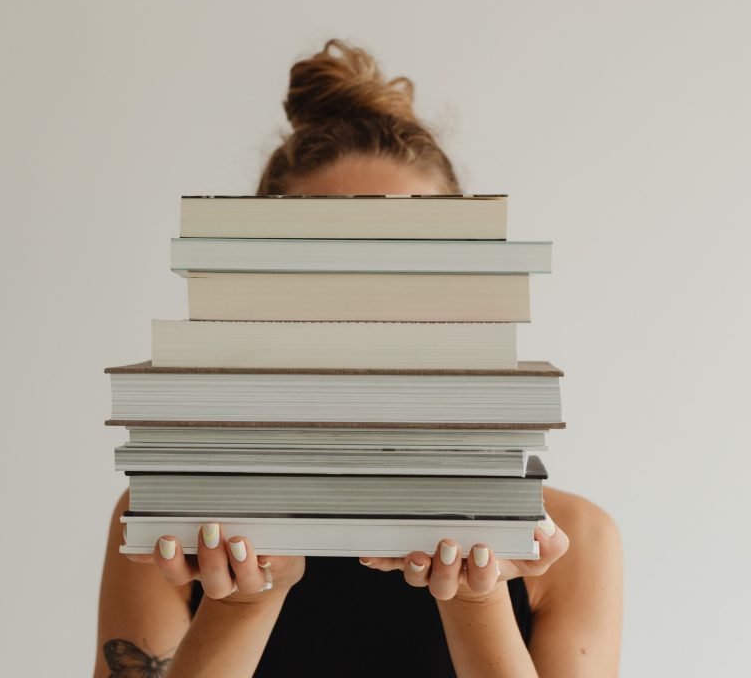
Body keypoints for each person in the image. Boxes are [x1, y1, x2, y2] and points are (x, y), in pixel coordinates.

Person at [94, 40, 623, 677]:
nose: (372, 314)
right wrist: (244, 603)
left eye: (410, 267)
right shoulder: (171, 516)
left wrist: (476, 600)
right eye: (327, 271)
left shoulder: (572, 540)